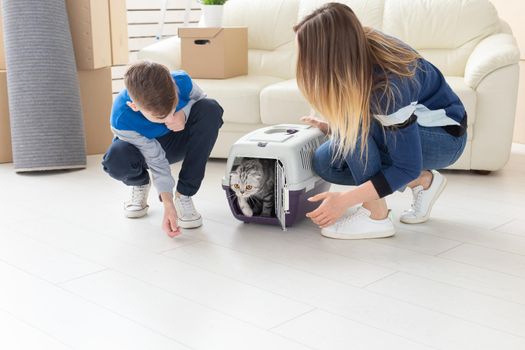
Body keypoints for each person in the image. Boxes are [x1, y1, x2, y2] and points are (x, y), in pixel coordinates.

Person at [296, 3, 467, 239]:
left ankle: (376, 217)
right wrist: (334, 128)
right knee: (327, 162)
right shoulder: (358, 47)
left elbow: (406, 166)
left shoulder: (387, 85)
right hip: (411, 129)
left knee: (353, 124)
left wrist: (343, 201)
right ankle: (424, 180)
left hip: (445, 137)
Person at [102, 61, 223, 237]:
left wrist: (183, 113)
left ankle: (184, 194)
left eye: (172, 108)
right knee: (115, 158)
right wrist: (167, 204)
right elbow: (156, 158)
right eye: (160, 117)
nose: (169, 118)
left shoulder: (182, 81)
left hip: (178, 139)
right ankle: (139, 183)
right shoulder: (121, 118)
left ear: (174, 88)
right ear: (135, 107)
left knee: (211, 108)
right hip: (145, 150)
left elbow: (200, 100)